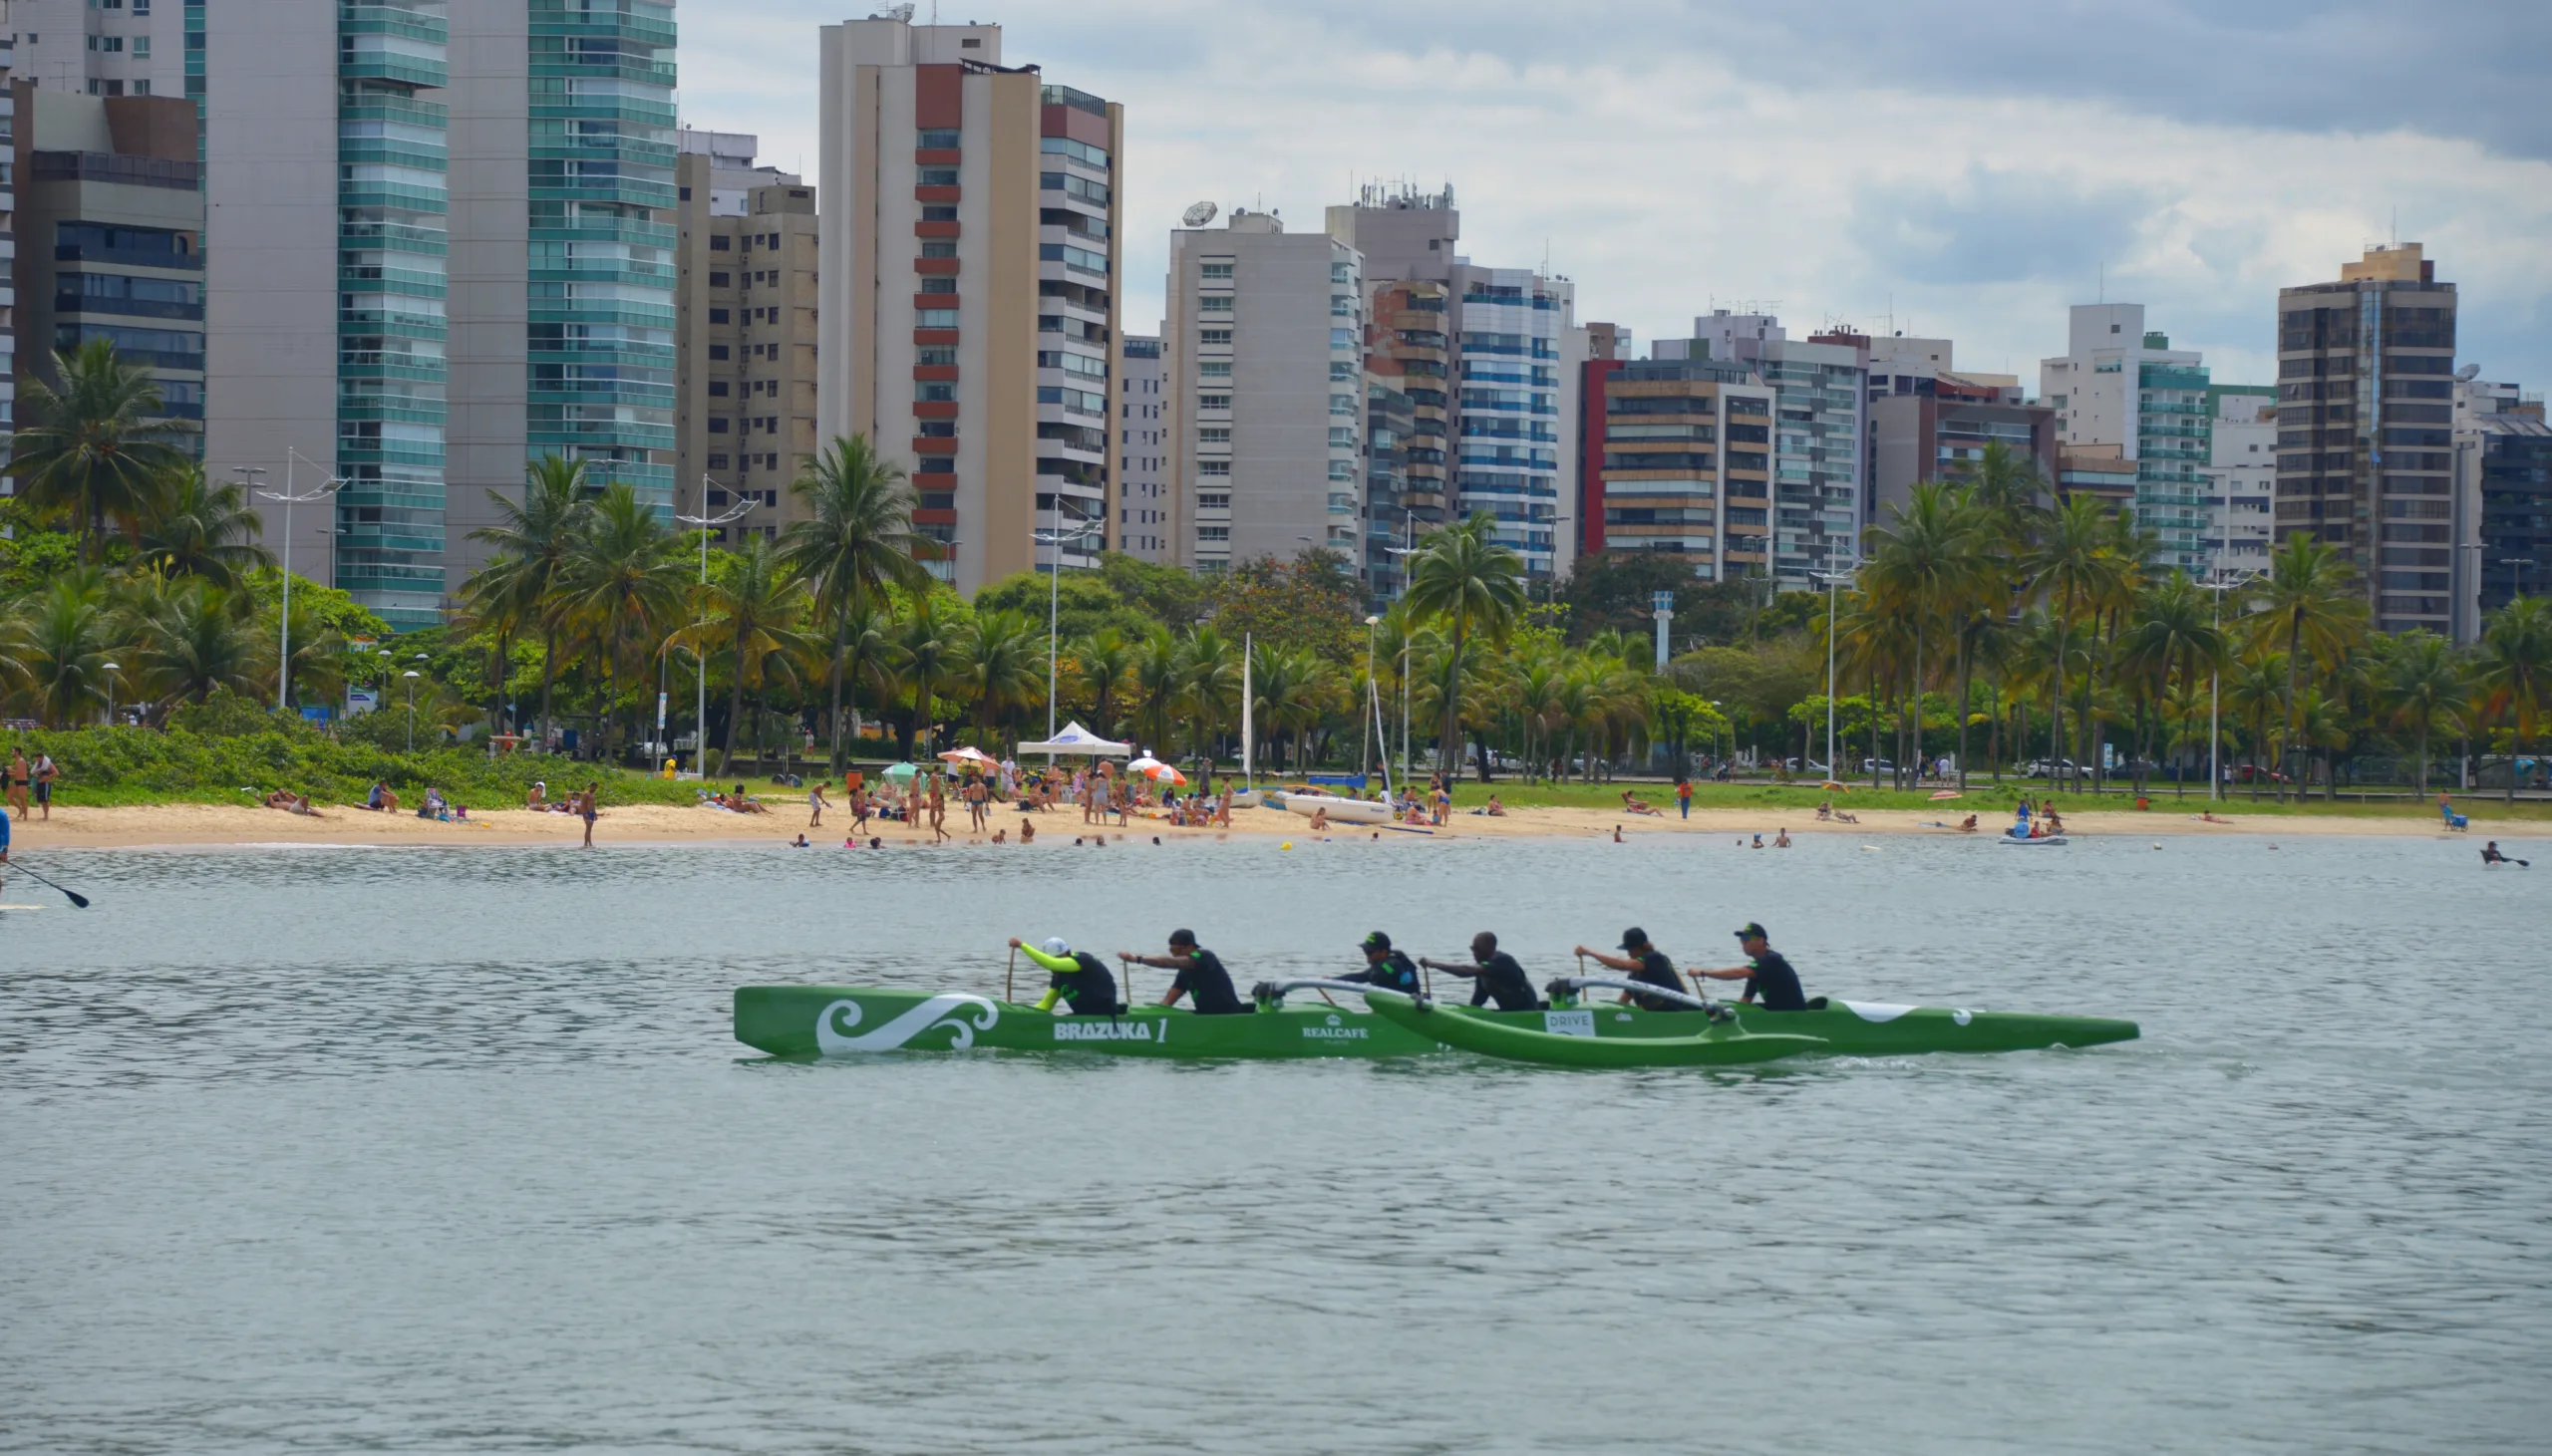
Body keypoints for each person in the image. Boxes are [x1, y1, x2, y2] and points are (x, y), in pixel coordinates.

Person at [1119, 929, 1247, 1015]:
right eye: (1171, 951)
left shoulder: (1205, 956)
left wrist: (1138, 959)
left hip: (1229, 1014)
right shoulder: (1184, 973)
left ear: (1190, 947)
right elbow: (1167, 1003)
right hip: (1205, 1016)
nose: (1173, 955)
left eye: (1175, 951)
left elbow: (1169, 962)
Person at [1692, 922, 1810, 1011]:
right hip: (1778, 1017)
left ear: (1760, 940)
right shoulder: (1756, 970)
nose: (1743, 943)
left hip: (1794, 1018)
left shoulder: (1772, 960)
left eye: (1747, 938)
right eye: (1742, 939)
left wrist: (1704, 973)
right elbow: (1745, 1002)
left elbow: (1739, 973)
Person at [1573, 928, 1693, 1012]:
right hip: (1655, 1017)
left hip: (1677, 1012)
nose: (1629, 953)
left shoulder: (1654, 958)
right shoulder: (1635, 975)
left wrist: (1589, 952)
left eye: (1631, 949)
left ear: (1642, 947)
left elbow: (1622, 965)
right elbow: (1624, 1000)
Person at [1422, 932, 1541, 1012]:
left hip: (1528, 1013)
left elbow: (1466, 971)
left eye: (1476, 949)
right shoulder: (1483, 973)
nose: (1473, 952)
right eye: (1472, 948)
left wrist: (1433, 964)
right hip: (1509, 1013)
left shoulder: (1503, 961)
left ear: (1489, 948)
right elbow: (1478, 1001)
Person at [1013, 936, 1122, 1015]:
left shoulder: (1082, 960)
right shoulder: (1058, 978)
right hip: (1083, 1018)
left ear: (1065, 954)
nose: (1053, 968)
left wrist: (1022, 945)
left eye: (1059, 958)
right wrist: (1016, 1012)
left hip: (1105, 1015)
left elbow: (1051, 963)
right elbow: (1044, 1006)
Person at [1337, 931, 1422, 994]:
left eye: (1369, 952)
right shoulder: (1382, 965)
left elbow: (1390, 969)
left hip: (1408, 1006)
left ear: (1383, 953)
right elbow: (1361, 976)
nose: (1367, 957)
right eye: (1365, 952)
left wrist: (1375, 976)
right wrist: (1333, 980)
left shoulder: (1390, 965)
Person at [6, 746, 27, 820]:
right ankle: (20, 809)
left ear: (17, 752)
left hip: (22, 782)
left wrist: (10, 770)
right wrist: (9, 771)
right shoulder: (17, 760)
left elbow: (19, 773)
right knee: (9, 796)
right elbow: (17, 771)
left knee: (22, 798)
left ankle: (25, 817)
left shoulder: (21, 761)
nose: (11, 753)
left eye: (12, 751)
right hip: (16, 781)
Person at [33, 752, 55, 820]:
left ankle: (46, 816)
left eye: (39, 759)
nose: (38, 761)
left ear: (42, 758)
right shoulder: (38, 765)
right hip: (39, 783)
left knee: (45, 800)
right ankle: (45, 815)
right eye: (37, 760)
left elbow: (56, 773)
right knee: (41, 800)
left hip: (45, 784)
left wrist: (47, 778)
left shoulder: (48, 764)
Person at [580, 781, 599, 848]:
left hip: (592, 813)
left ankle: (586, 844)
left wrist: (595, 814)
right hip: (587, 813)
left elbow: (593, 805)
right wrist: (585, 813)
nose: (596, 789)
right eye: (595, 787)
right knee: (588, 828)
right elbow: (583, 804)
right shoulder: (586, 794)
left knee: (589, 829)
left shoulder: (593, 794)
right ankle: (590, 844)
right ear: (592, 786)